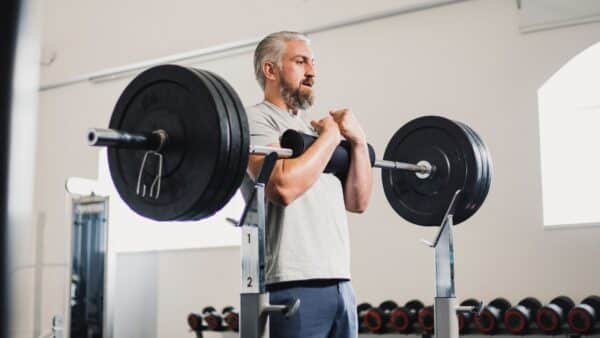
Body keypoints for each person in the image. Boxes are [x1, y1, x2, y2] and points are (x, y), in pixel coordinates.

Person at [241, 31, 373, 338]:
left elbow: (358, 202)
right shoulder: (256, 120)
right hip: (291, 282)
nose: (311, 71)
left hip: (341, 281)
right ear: (270, 70)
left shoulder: (312, 130)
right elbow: (282, 188)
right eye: (300, 61)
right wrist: (330, 138)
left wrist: (359, 142)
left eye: (313, 63)